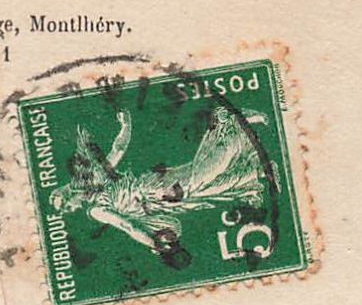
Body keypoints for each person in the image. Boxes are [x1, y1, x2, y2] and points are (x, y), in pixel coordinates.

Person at [49, 105, 274, 267]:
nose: (73, 210)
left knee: (202, 176)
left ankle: (229, 123)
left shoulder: (96, 209)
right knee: (205, 187)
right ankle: (255, 168)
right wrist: (126, 126)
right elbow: (117, 151)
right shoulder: (96, 179)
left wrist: (154, 244)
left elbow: (127, 226)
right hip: (156, 193)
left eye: (68, 207)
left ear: (69, 195)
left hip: (156, 192)